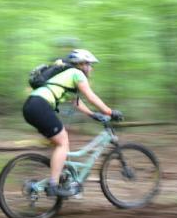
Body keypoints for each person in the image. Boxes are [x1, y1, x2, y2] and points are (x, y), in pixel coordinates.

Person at [22, 49, 123, 197]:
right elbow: (91, 97)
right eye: (90, 65)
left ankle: (60, 178)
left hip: (31, 106)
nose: (91, 68)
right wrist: (109, 111)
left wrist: (93, 115)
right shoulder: (77, 74)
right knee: (63, 142)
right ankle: (53, 185)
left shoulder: (66, 76)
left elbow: (76, 102)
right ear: (82, 64)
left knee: (60, 143)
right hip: (40, 105)